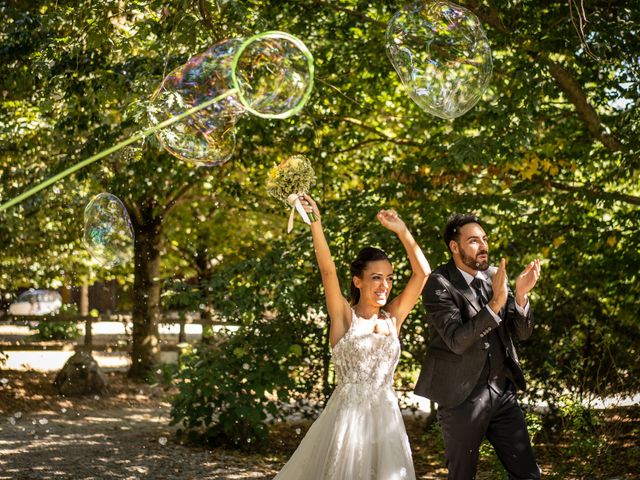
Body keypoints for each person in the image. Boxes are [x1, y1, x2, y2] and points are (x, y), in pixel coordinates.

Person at [274, 194, 431, 480]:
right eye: (376, 277)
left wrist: (403, 231)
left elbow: (422, 274)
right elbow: (327, 271)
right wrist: (315, 222)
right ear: (358, 281)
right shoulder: (345, 317)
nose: (385, 285)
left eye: (389, 278)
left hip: (388, 423)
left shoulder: (392, 317)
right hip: (349, 423)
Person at [415, 213, 542, 479]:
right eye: (473, 241)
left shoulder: (495, 276)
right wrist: (496, 302)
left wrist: (519, 295)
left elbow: (523, 333)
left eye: (484, 239)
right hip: (461, 398)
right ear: (454, 246)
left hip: (502, 391)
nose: (483, 246)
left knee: (529, 474)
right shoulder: (440, 283)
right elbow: (456, 340)